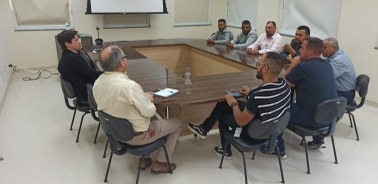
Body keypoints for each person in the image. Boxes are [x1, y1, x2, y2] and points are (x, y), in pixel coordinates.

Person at [93, 45, 182, 173]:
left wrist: (141, 97)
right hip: (136, 137)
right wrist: (147, 100)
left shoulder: (98, 82)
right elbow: (150, 111)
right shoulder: (129, 86)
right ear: (121, 63)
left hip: (114, 133)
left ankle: (145, 159)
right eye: (125, 57)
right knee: (177, 124)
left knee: (137, 114)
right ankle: (161, 163)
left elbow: (118, 101)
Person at [187, 52, 291, 159]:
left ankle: (226, 151)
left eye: (258, 64)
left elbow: (241, 121)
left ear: (265, 68)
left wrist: (234, 103)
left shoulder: (258, 96)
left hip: (255, 133)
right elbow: (264, 102)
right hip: (271, 130)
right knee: (223, 104)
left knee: (223, 116)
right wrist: (250, 93)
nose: (256, 67)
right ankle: (204, 129)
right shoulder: (284, 86)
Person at [277, 37, 337, 153]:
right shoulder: (327, 65)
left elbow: (284, 84)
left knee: (277, 107)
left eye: (302, 48)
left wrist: (293, 64)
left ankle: (278, 147)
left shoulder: (303, 67)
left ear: (309, 52)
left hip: (311, 118)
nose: (299, 51)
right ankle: (318, 140)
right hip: (329, 117)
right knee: (317, 100)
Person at [57, 30, 103, 105]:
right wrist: (112, 72)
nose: (79, 42)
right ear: (68, 44)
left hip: (81, 93)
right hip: (87, 96)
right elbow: (93, 74)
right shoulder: (73, 59)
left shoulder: (66, 55)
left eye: (78, 39)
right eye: (76, 40)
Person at [322, 37, 357, 103]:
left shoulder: (339, 60)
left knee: (314, 93)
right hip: (340, 90)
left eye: (324, 47)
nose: (322, 50)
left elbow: (326, 77)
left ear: (334, 48)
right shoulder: (331, 57)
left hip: (345, 94)